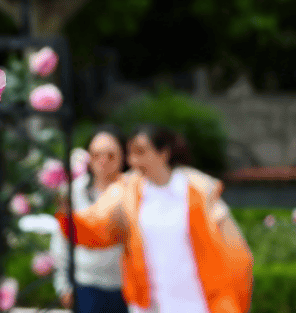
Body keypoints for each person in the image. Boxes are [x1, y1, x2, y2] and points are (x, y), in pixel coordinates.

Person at [57, 124, 253, 313]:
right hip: (149, 303)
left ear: (163, 153)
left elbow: (236, 251)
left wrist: (235, 296)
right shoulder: (126, 190)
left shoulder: (197, 188)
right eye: (131, 154)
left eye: (141, 152)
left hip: (198, 300)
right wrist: (65, 209)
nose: (133, 161)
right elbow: (97, 225)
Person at [51, 125, 129, 313]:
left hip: (126, 286)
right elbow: (61, 240)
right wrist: (63, 285)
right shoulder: (74, 191)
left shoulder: (132, 190)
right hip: (86, 285)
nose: (103, 161)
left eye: (111, 155)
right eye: (96, 154)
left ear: (123, 156)